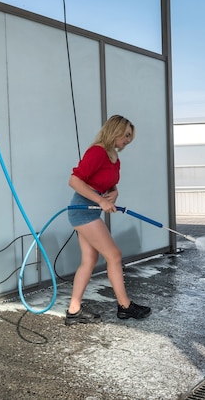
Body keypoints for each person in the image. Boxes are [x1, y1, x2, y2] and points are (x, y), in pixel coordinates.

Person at [65, 114, 151, 325]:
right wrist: (101, 201)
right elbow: (74, 181)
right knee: (114, 255)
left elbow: (108, 182)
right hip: (82, 210)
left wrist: (114, 193)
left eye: (131, 137)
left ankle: (73, 310)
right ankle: (125, 306)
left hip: (91, 210)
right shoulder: (97, 152)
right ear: (116, 130)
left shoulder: (114, 157)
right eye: (127, 135)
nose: (128, 140)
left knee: (90, 260)